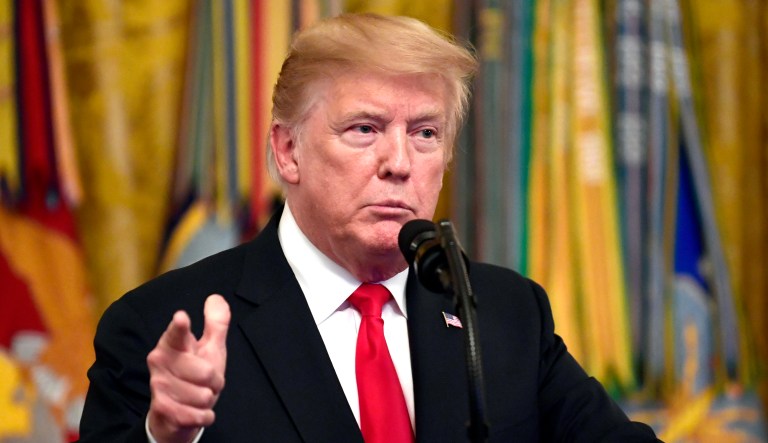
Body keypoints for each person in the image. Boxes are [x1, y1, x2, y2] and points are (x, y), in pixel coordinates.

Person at [78, 13, 659, 443]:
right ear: (288, 151)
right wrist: (164, 438)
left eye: (425, 133)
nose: (399, 163)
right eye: (364, 129)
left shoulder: (505, 315)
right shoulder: (154, 326)